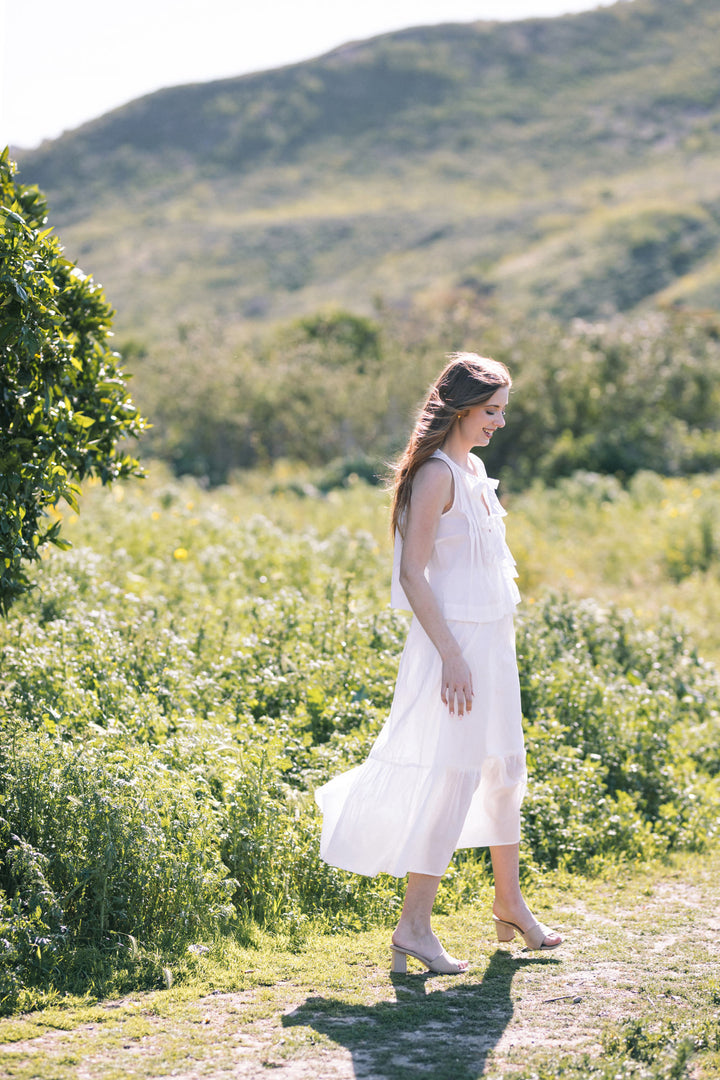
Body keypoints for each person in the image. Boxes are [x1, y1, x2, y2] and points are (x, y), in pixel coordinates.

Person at [315, 353, 561, 973]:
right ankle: (414, 928)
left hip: (493, 642)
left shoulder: (475, 468)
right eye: (491, 411)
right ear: (459, 408)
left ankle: (511, 905)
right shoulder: (435, 476)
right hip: (454, 648)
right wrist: (451, 655)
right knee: (454, 776)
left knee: (505, 770)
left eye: (502, 410)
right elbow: (411, 573)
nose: (499, 423)